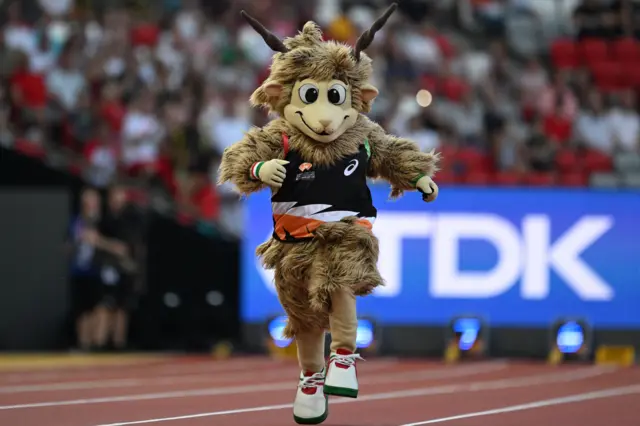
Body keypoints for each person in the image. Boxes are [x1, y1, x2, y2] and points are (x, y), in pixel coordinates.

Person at [92, 183, 140, 350]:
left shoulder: (130, 217)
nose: (117, 199)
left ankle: (118, 343)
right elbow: (95, 238)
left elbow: (129, 245)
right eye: (114, 195)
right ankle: (100, 342)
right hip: (107, 265)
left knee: (122, 306)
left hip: (125, 267)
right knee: (105, 304)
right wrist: (112, 246)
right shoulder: (104, 218)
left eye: (120, 195)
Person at [68, 187, 101, 351]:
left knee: (95, 308)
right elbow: (67, 244)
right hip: (79, 269)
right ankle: (83, 343)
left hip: (96, 269)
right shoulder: (76, 221)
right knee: (80, 309)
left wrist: (98, 240)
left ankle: (96, 342)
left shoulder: (101, 221)